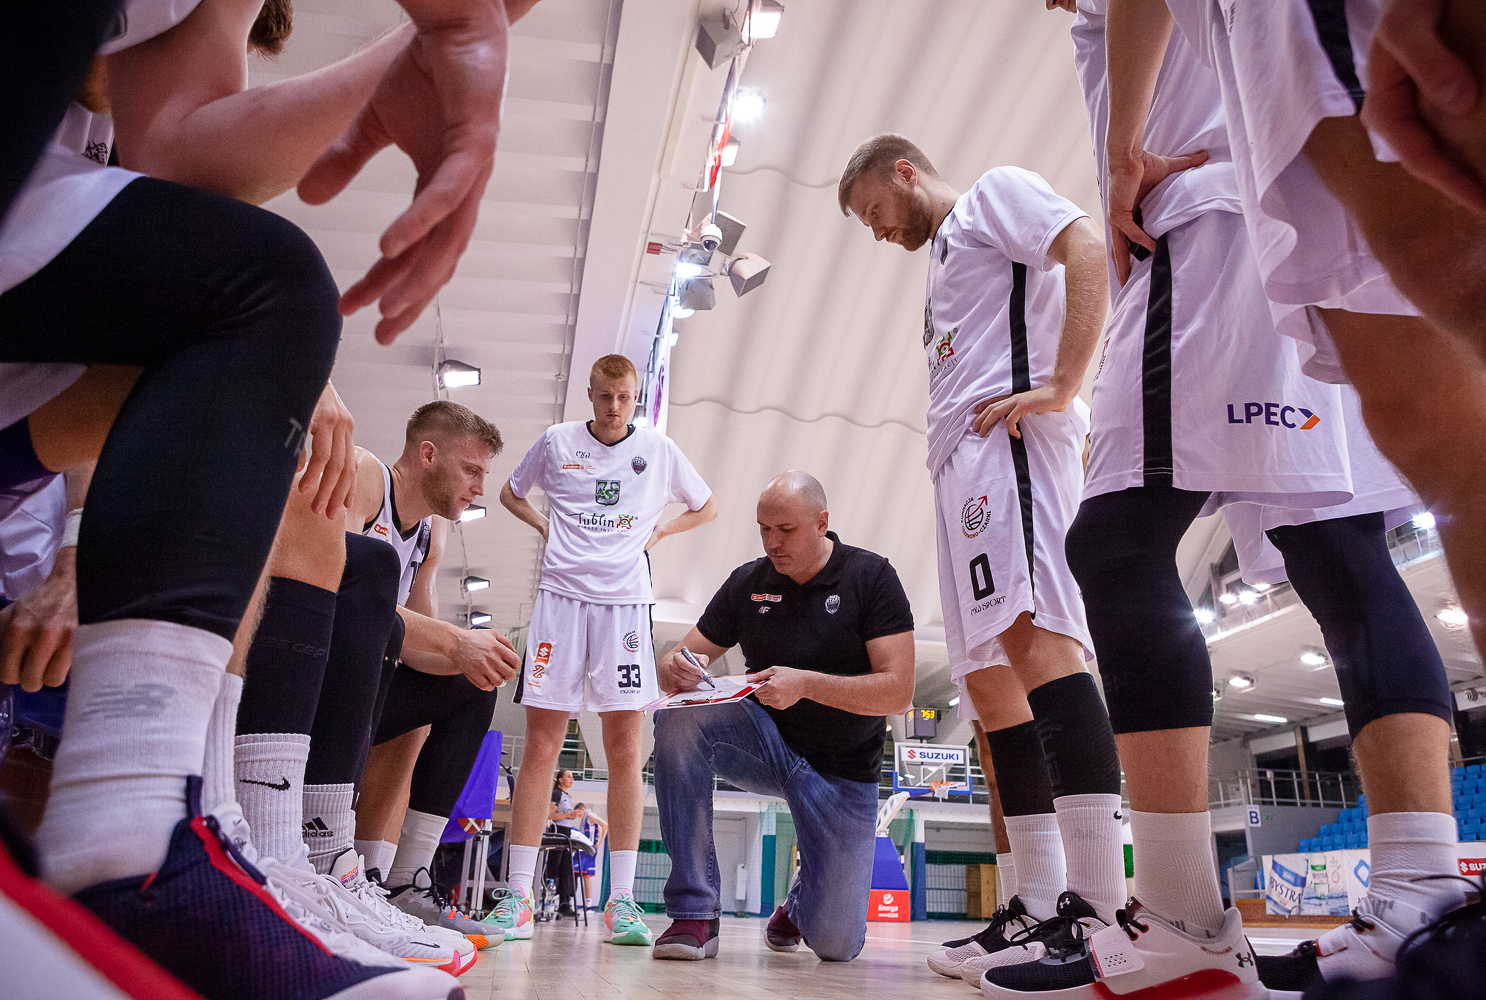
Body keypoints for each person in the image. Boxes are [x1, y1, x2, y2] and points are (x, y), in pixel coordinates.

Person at [1078, 1, 1476, 996]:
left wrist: (1123, 153)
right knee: (1340, 548)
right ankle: (1420, 897)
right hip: (1275, 201)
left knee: (1118, 541)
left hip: (1203, 220)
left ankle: (1181, 921)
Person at [837, 135, 1131, 972]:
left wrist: (1064, 384)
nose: (877, 231)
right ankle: (1037, 902)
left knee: (1042, 647)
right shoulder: (941, 262)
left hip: (1011, 453)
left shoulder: (991, 196)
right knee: (992, 686)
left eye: (875, 211)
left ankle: (1100, 913)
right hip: (961, 468)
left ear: (906, 173)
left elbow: (1084, 246)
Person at [487, 353, 717, 946]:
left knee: (625, 749)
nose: (615, 407)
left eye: (625, 397)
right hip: (559, 602)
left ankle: (622, 901)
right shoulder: (557, 442)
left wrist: (661, 531)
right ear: (590, 394)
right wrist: (546, 527)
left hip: (625, 607)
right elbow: (510, 492)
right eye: (605, 395)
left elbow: (707, 505)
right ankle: (516, 897)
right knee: (542, 743)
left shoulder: (658, 450)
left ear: (635, 397)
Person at [648, 471, 915, 963]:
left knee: (836, 945)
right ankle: (694, 912)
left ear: (822, 523)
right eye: (763, 529)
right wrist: (674, 668)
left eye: (786, 530)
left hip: (842, 774)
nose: (772, 542)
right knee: (679, 719)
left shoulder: (871, 577)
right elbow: (676, 661)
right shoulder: (748, 582)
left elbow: (898, 693)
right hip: (766, 747)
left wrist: (806, 684)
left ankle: (800, 901)